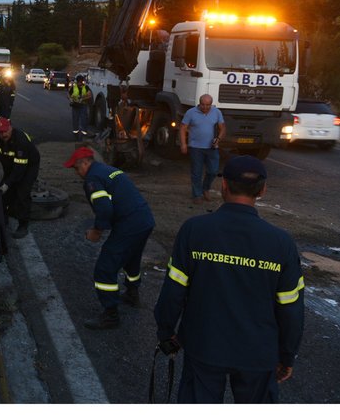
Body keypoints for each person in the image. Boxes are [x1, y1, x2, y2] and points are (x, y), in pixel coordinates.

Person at [153, 155, 304, 403]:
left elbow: (173, 290)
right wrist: (287, 356)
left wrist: (166, 330)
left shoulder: (194, 230)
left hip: (204, 346)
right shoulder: (281, 243)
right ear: (263, 190)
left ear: (223, 186)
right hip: (257, 352)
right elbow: (291, 308)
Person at [63, 146, 155, 329]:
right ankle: (132, 293)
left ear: (86, 163)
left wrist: (97, 230)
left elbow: (104, 208)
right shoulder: (109, 170)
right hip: (145, 219)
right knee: (132, 258)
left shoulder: (92, 178)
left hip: (129, 223)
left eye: (76, 168)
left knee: (105, 268)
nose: (76, 172)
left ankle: (110, 314)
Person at [0, 117, 40, 239]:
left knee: (22, 193)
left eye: (5, 131)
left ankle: (23, 225)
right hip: (12, 162)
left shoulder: (21, 141)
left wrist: (8, 183)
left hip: (28, 165)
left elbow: (20, 168)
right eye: (0, 132)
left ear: (10, 128)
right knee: (3, 193)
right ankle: (3, 219)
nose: (3, 134)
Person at [180, 94, 226, 204]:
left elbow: (223, 128)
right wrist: (183, 144)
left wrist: (218, 139)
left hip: (212, 147)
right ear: (199, 103)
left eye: (208, 105)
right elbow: (182, 128)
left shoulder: (217, 112)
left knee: (213, 171)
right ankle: (197, 194)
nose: (205, 107)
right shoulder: (191, 112)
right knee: (196, 172)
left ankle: (205, 188)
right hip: (196, 147)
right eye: (203, 105)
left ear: (211, 104)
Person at [68, 74, 93, 139]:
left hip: (83, 105)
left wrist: (83, 98)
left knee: (84, 119)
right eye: (78, 81)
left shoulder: (86, 87)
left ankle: (84, 132)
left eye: (81, 81)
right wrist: (70, 99)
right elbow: (68, 94)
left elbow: (90, 95)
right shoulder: (74, 87)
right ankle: (76, 132)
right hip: (75, 105)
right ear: (77, 81)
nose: (79, 83)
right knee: (75, 119)